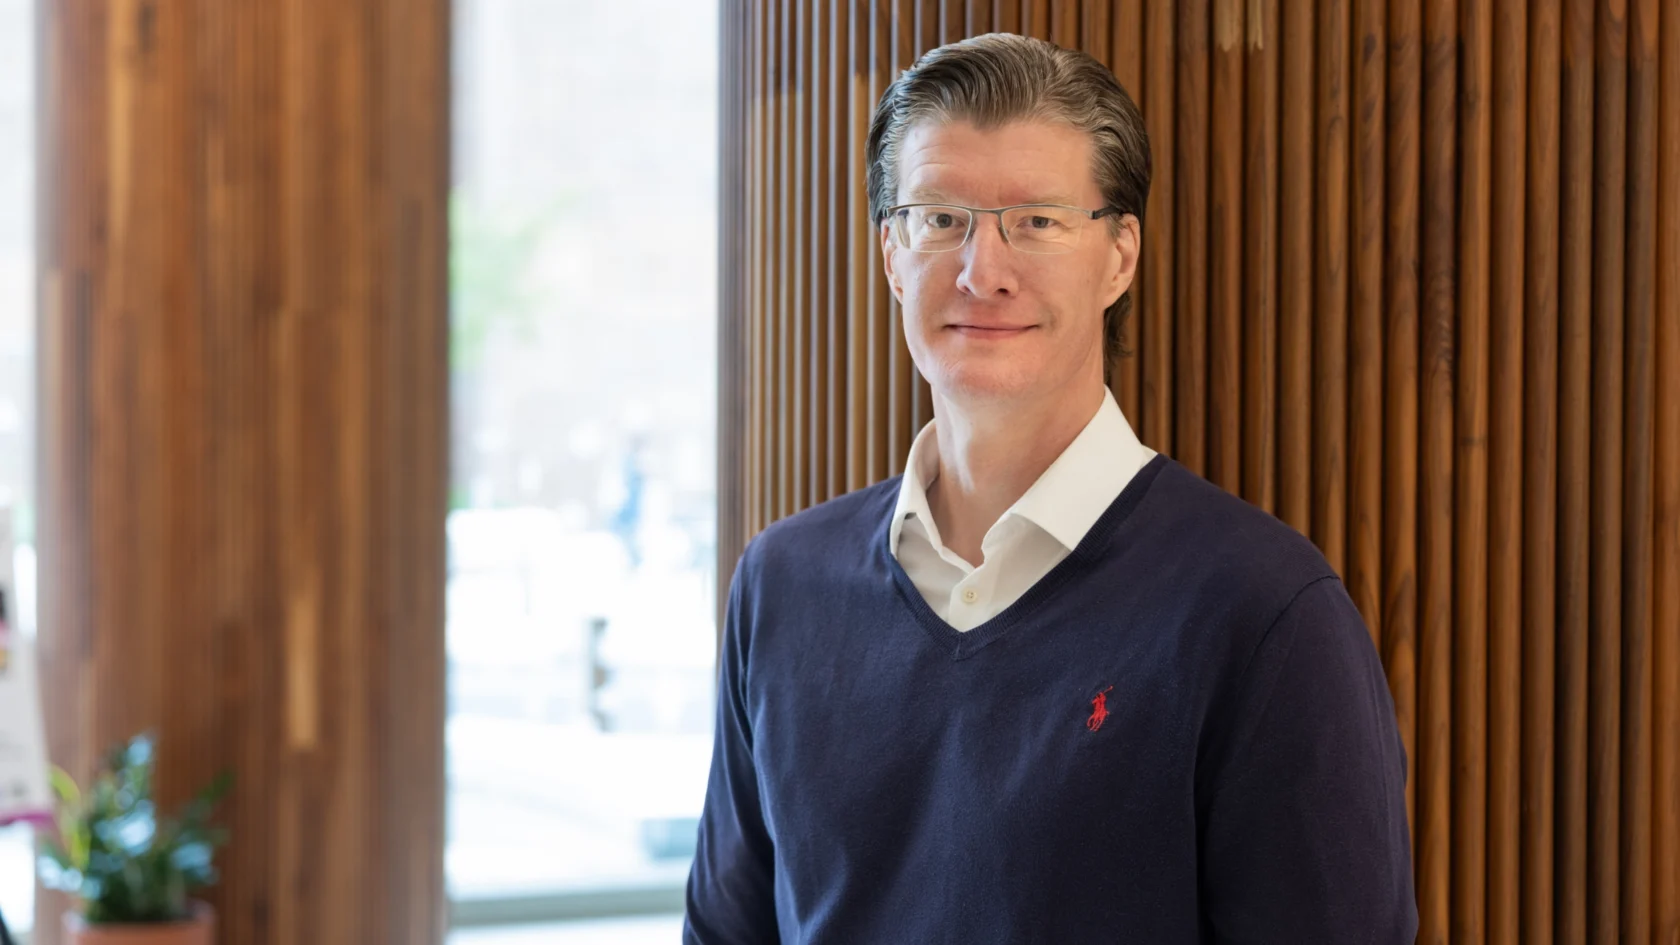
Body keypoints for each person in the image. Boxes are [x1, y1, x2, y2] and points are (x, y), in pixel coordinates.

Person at [685, 33, 1416, 944]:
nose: (980, 269)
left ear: (1120, 256)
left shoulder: (1265, 612)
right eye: (939, 217)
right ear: (890, 254)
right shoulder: (782, 585)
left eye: (1037, 220)